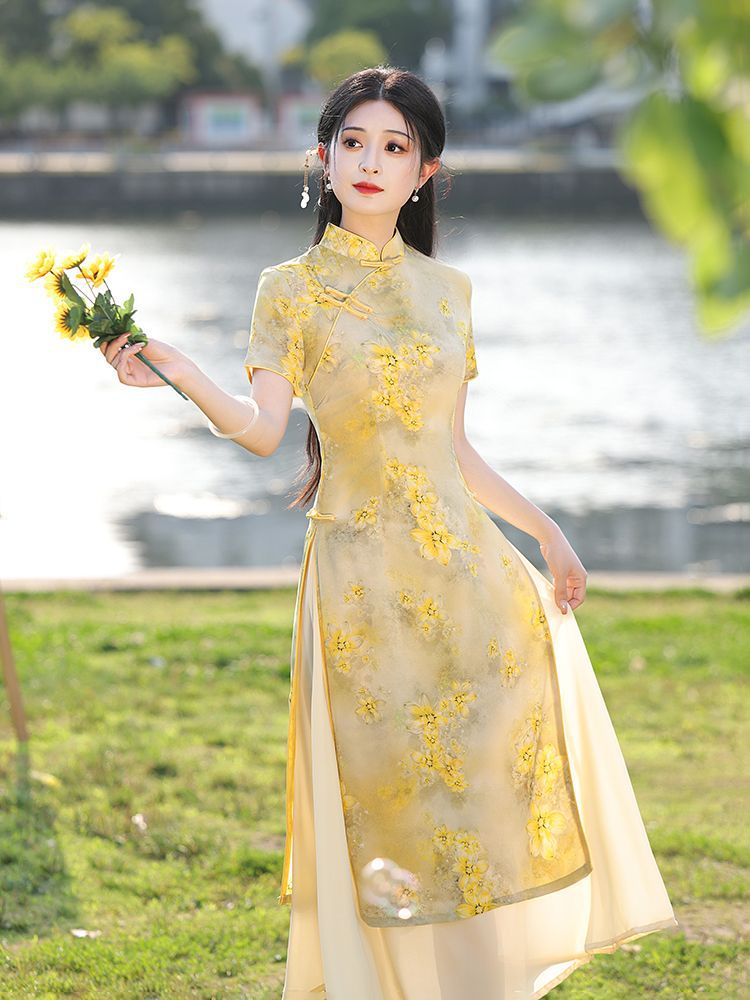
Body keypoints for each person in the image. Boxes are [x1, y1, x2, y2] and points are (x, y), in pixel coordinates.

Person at [102, 65, 679, 1000]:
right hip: (362, 589)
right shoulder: (287, 290)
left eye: (395, 146)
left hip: (472, 583)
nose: (371, 161)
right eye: (354, 142)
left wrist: (549, 531)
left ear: (426, 172)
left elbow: (452, 449)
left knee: (481, 808)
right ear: (321, 159)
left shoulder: (448, 292)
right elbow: (259, 431)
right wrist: (173, 367)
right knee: (395, 817)